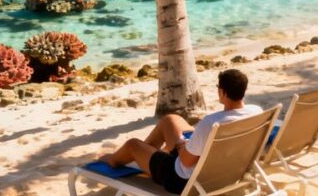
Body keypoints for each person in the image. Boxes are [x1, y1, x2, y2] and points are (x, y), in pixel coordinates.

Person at [99, 69, 261, 194]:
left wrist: (182, 145)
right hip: (223, 168)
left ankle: (114, 160)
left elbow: (186, 162)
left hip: (181, 178)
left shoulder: (211, 123)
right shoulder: (256, 112)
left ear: (223, 92)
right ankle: (146, 158)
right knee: (170, 120)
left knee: (132, 144)